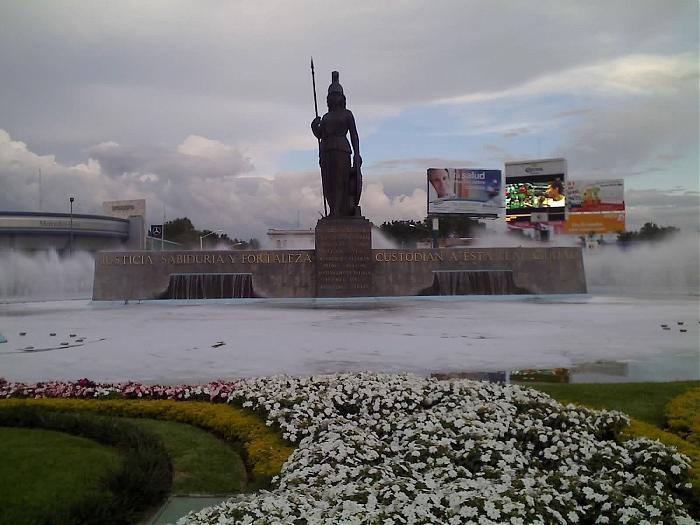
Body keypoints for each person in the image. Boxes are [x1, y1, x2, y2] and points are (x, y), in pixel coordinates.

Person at [311, 71, 362, 217]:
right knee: (328, 182)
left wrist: (357, 154)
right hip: (326, 150)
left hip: (341, 150)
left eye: (336, 95)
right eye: (331, 96)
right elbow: (321, 134)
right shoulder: (326, 116)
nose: (333, 98)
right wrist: (314, 126)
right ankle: (333, 209)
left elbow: (354, 134)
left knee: (340, 181)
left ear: (341, 98)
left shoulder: (347, 114)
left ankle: (336, 211)